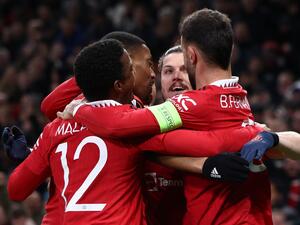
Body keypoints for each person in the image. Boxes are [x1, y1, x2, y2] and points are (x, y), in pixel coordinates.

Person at [56, 9, 300, 225]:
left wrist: (78, 108)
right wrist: (267, 138)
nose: (176, 77)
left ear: (191, 56)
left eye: (183, 66)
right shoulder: (238, 104)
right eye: (168, 70)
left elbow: (120, 126)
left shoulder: (190, 106)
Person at [7, 39, 258, 225]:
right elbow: (190, 144)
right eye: (160, 69)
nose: (152, 73)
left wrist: (34, 154)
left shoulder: (58, 127)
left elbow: (17, 187)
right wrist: (250, 135)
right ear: (120, 83)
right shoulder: (136, 123)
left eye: (182, 69)